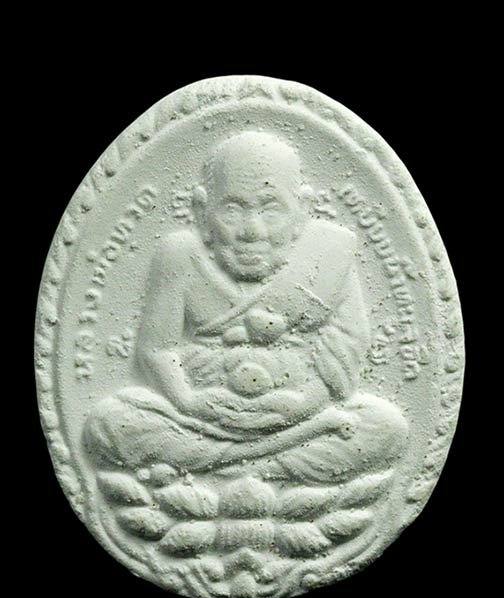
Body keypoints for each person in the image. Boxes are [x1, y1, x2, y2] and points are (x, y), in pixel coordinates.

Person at [84, 131, 408, 488]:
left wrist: (305, 403)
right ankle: (264, 466)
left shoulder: (331, 254)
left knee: (386, 427)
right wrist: (188, 400)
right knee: (108, 424)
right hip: (201, 417)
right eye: (232, 210)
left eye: (271, 209)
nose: (251, 230)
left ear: (303, 210)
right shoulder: (180, 255)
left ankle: (221, 470)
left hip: (299, 415)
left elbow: (348, 343)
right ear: (202, 211)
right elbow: (158, 348)